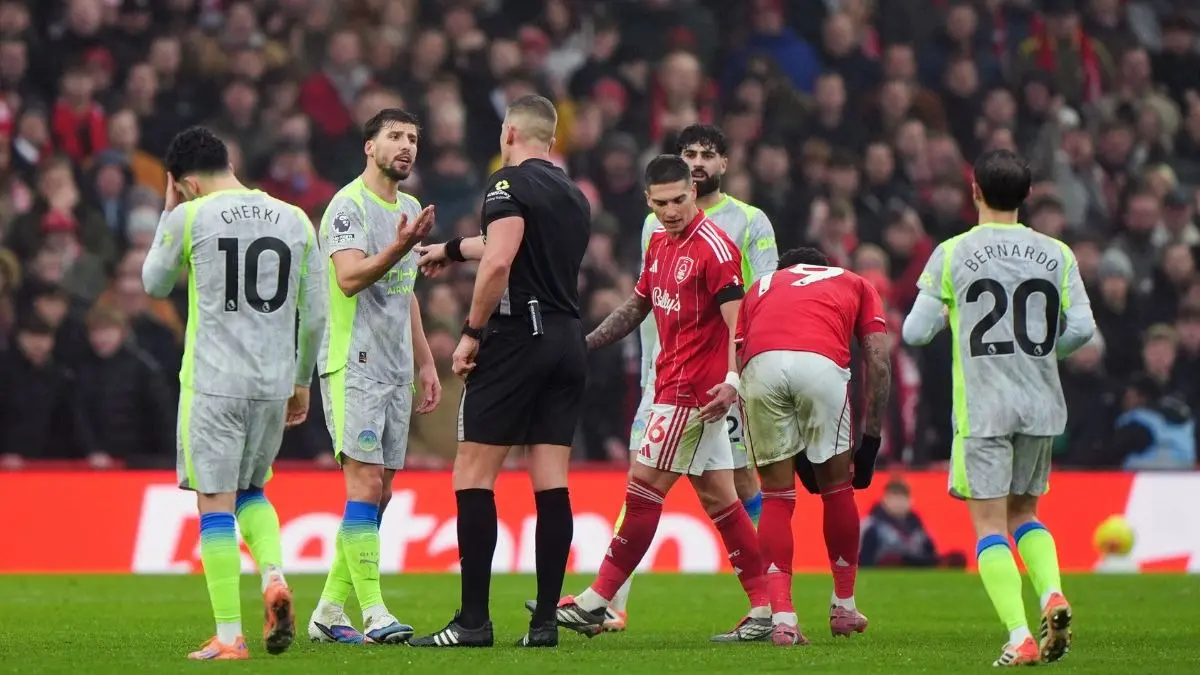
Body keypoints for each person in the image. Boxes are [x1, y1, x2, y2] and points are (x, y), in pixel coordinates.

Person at [541, 154, 771, 644]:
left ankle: (596, 601)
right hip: (675, 384)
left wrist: (732, 380)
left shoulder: (716, 248)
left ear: (694, 191)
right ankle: (765, 607)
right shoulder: (662, 244)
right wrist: (585, 345)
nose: (672, 211)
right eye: (662, 203)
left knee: (643, 488)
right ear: (648, 201)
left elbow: (740, 322)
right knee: (722, 501)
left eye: (680, 200)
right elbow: (638, 304)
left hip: (692, 390)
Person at [409, 94, 591, 649]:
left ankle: (472, 623)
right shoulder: (573, 195)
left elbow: (502, 258)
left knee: (472, 473)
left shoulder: (505, 184)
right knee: (551, 481)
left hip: (518, 337)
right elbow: (505, 243)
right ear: (552, 138)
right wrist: (452, 248)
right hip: (566, 339)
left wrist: (472, 331)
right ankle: (543, 628)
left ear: (508, 132)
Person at [901, 149, 1095, 667]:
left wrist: (949, 310)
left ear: (975, 191)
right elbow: (1082, 329)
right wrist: (1039, 349)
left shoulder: (951, 253)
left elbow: (914, 333)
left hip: (985, 409)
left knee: (989, 527)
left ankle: (1018, 635)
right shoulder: (1057, 253)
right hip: (1040, 404)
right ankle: (1051, 592)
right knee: (1027, 512)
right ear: (1027, 196)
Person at [141, 126, 326, 660]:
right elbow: (313, 315)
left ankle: (228, 637)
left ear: (185, 182)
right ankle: (273, 577)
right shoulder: (294, 218)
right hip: (272, 385)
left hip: (214, 383)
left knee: (215, 504)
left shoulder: (191, 213)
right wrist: (301, 381)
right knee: (254, 490)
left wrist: (168, 208)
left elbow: (154, 284)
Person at [607, 123, 778, 631]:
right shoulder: (654, 222)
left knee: (737, 485)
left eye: (708, 154)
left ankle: (770, 600)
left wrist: (741, 375)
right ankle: (611, 603)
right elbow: (647, 297)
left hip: (724, 377)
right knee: (644, 478)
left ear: (723, 164)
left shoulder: (748, 223)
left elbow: (761, 299)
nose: (699, 161)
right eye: (690, 153)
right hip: (663, 378)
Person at [306, 108, 440, 646]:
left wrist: (426, 360)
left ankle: (327, 611)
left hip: (395, 368)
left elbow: (404, 293)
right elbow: (349, 277)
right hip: (352, 363)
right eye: (395, 137)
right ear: (369, 145)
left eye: (413, 138)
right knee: (364, 483)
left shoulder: (407, 207)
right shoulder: (347, 206)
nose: (406, 146)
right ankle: (375, 612)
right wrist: (402, 245)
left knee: (380, 494)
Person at [735, 246, 891, 646]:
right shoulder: (854, 282)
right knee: (837, 489)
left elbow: (739, 355)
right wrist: (871, 441)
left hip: (759, 366)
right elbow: (878, 361)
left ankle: (784, 618)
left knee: (776, 497)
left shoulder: (760, 287)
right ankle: (843, 606)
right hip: (820, 364)